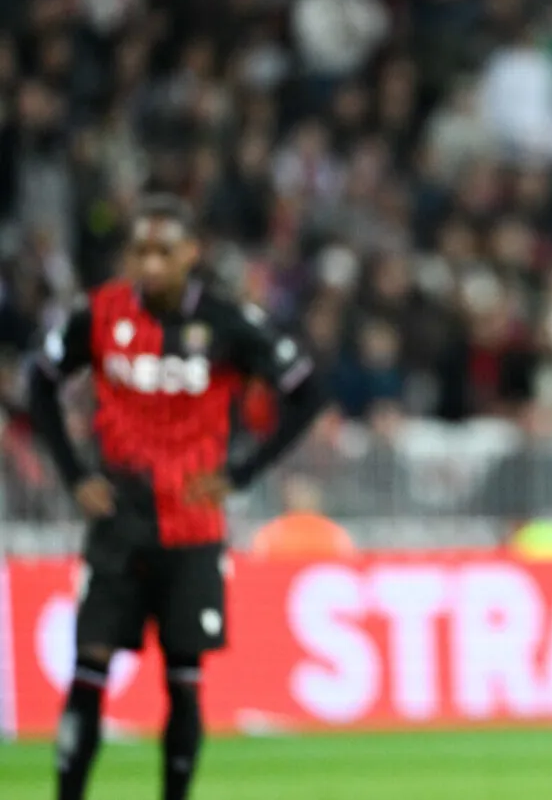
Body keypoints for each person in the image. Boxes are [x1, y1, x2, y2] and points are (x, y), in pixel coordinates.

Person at [28, 194, 327, 800]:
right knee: (89, 669)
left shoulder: (227, 322)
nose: (151, 263)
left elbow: (307, 391)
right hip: (119, 520)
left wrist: (242, 473)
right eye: (140, 250)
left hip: (192, 526)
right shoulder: (99, 314)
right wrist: (73, 473)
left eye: (165, 250)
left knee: (184, 682)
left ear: (192, 253)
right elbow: (40, 382)